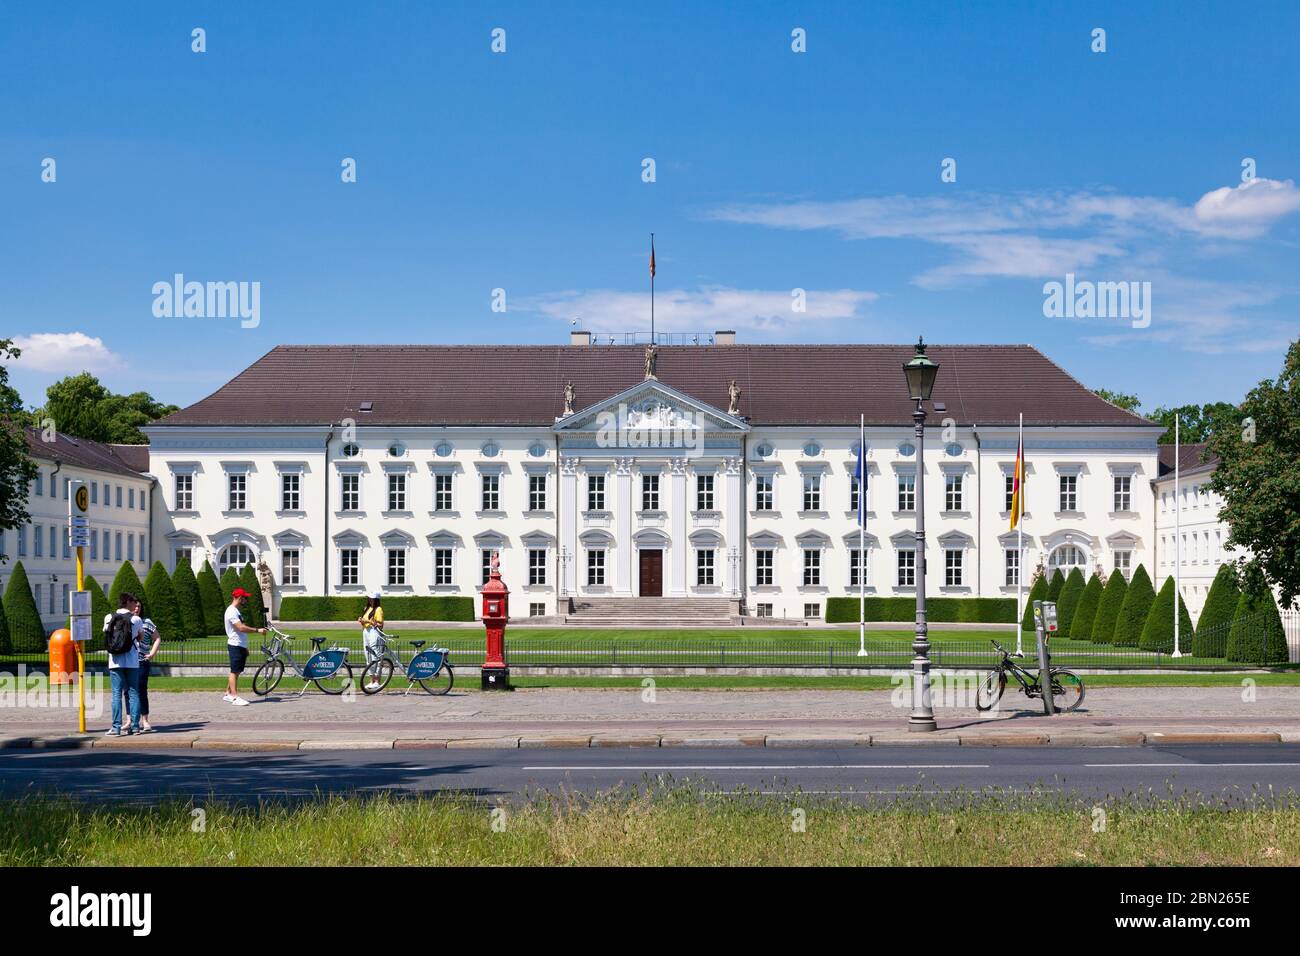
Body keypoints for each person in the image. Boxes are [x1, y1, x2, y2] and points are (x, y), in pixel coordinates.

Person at [103, 593, 142, 736]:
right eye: (133, 602)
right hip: (132, 661)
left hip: (115, 661)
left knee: (116, 694)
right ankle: (136, 726)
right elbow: (141, 636)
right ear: (127, 602)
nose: (135, 605)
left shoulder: (109, 617)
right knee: (133, 692)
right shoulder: (136, 619)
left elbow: (106, 634)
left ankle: (116, 727)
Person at [224, 587, 266, 706]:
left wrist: (245, 647)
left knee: (236, 671)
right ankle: (234, 697)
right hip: (235, 645)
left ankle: (228, 693)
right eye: (245, 598)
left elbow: (241, 629)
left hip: (240, 645)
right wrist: (258, 630)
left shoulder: (236, 611)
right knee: (234, 671)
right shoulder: (231, 611)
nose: (246, 600)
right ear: (240, 598)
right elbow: (241, 628)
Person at [124, 618, 161, 733]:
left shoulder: (147, 622)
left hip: (141, 661)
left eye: (138, 606)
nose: (136, 608)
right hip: (128, 661)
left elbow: (157, 638)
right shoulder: (126, 620)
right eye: (134, 605)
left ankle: (145, 720)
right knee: (127, 692)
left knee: (141, 690)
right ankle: (129, 720)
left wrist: (152, 653)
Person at [358, 591, 385, 690]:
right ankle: (372, 680)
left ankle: (377, 681)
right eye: (369, 598)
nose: (369, 600)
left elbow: (380, 625)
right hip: (366, 631)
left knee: (376, 655)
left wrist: (368, 621)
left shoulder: (378, 609)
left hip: (374, 632)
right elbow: (365, 622)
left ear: (375, 600)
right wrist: (362, 621)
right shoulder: (367, 609)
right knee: (368, 656)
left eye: (371, 598)